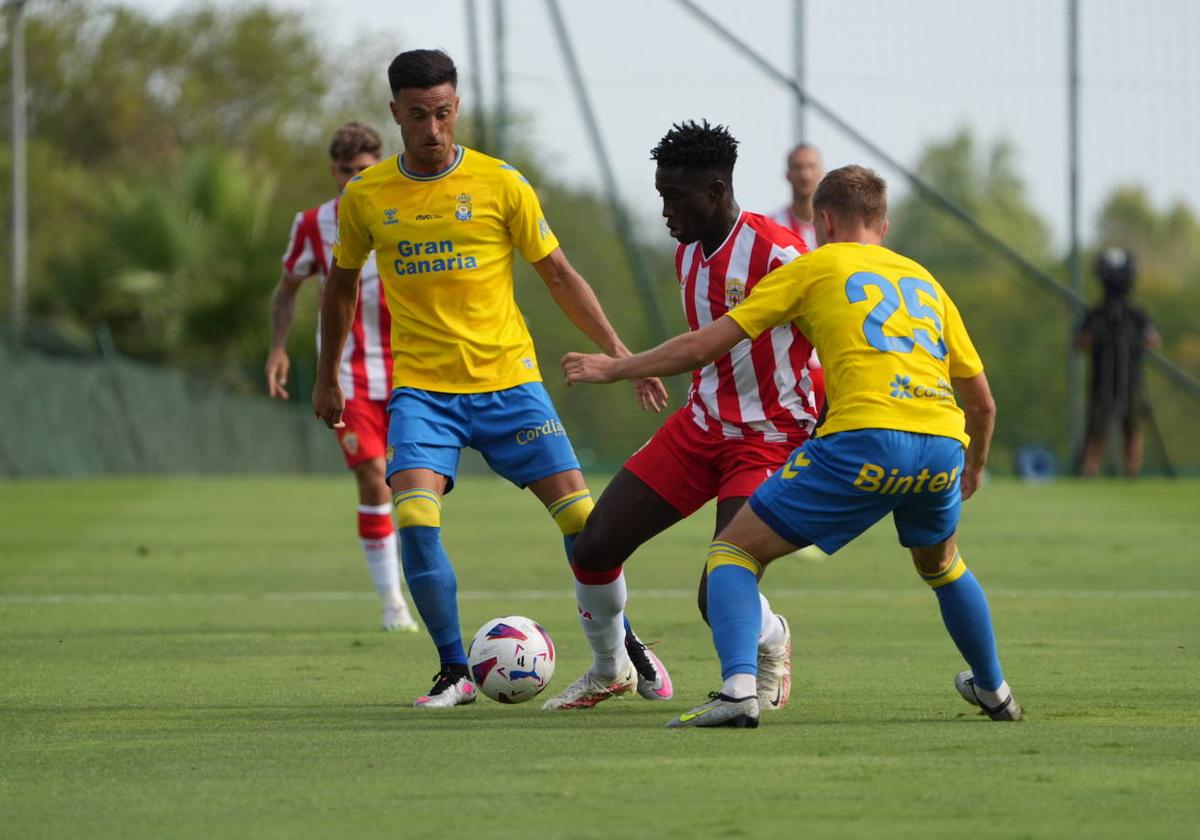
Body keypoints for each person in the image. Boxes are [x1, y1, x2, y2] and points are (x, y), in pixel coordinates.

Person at [563, 165, 1021, 728]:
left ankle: (737, 692)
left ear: (823, 220)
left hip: (865, 436)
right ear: (884, 221)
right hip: (942, 442)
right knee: (943, 565)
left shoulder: (813, 265)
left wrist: (617, 366)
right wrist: (972, 468)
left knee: (732, 555)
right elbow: (984, 404)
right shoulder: (925, 282)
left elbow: (705, 344)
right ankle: (995, 689)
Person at [311, 49, 670, 708]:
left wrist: (618, 352)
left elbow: (559, 274)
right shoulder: (367, 197)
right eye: (418, 115)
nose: (433, 128)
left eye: (443, 113)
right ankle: (454, 671)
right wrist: (328, 374)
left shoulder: (501, 183)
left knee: (589, 528)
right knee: (416, 518)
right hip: (424, 392)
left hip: (510, 384)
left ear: (457, 108)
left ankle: (624, 648)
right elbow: (336, 291)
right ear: (396, 114)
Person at [542, 120, 822, 713]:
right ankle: (609, 667)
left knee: (716, 593)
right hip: (699, 429)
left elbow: (823, 346)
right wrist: (645, 363)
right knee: (593, 547)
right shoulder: (688, 252)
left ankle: (772, 640)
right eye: (660, 195)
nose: (666, 210)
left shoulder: (781, 253)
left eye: (676, 197)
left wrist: (833, 426)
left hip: (768, 441)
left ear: (717, 191)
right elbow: (700, 344)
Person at [266, 122, 417, 633]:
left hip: (411, 370)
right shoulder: (312, 224)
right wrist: (278, 349)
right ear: (334, 172)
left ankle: (417, 584)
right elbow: (286, 290)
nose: (356, 178)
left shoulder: (406, 211)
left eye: (365, 169)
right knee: (373, 477)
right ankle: (392, 602)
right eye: (347, 171)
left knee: (413, 487)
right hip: (347, 375)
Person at [1075, 247, 1161, 477]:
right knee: (1097, 426)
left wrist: (1133, 337)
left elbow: (1153, 340)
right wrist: (1098, 333)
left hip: (1131, 380)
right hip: (1102, 380)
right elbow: (1079, 343)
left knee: (1132, 425)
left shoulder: (1136, 315)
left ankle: (1133, 470)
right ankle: (1089, 470)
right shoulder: (1096, 314)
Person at [770, 144, 824, 252]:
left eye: (811, 166)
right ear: (787, 175)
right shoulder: (773, 224)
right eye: (798, 167)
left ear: (822, 173)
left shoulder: (836, 225)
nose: (805, 175)